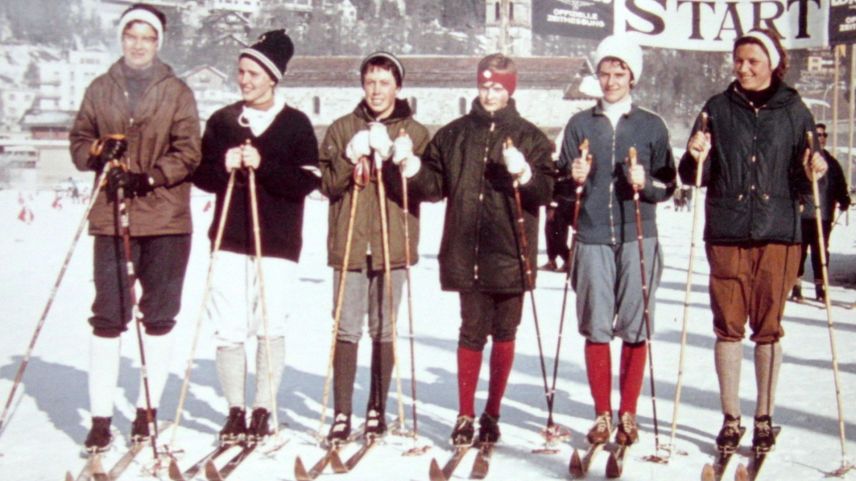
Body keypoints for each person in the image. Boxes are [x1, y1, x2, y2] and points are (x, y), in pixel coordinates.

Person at [680, 28, 827, 454]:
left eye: (752, 61)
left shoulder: (795, 111)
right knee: (728, 326)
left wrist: (814, 168)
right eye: (738, 60)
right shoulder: (716, 109)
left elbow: (804, 180)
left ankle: (764, 417)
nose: (742, 68)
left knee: (768, 328)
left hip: (779, 233)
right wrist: (695, 153)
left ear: (772, 63)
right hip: (726, 231)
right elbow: (693, 177)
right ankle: (731, 418)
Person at [68, 3, 201, 452]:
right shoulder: (100, 88)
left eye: (147, 37)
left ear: (157, 42)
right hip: (112, 217)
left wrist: (150, 176)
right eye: (131, 36)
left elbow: (189, 151)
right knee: (109, 316)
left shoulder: (177, 91)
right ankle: (101, 418)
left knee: (159, 318)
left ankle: (147, 412)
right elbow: (79, 139)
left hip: (165, 217)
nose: (138, 45)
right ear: (122, 39)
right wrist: (97, 152)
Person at [406, 53, 554, 446]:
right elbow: (434, 186)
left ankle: (493, 412)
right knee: (471, 332)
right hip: (467, 252)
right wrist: (411, 168)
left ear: (510, 91)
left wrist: (524, 172)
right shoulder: (454, 134)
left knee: (506, 332)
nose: (490, 94)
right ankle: (465, 414)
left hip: (511, 252)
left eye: (499, 88)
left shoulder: (530, 137)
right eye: (485, 86)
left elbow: (546, 192)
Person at [192, 30, 319, 444]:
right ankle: (235, 410)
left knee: (269, 323)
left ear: (272, 77)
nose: (243, 80)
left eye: (252, 73)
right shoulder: (224, 121)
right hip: (229, 238)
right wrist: (223, 164)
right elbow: (202, 175)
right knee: (228, 327)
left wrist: (262, 164)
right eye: (240, 71)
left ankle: (264, 406)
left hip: (278, 243)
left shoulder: (296, 124)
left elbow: (304, 183)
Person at [558, 35, 675, 448]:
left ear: (632, 76)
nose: (610, 80)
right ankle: (602, 413)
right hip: (591, 235)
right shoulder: (580, 124)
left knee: (635, 324)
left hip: (637, 234)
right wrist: (573, 176)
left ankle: (628, 411)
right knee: (596, 325)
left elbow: (669, 183)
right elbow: (559, 184)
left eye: (619, 72)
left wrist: (648, 183)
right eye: (604, 72)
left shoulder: (650, 125)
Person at [319, 52, 430, 442]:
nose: (377, 90)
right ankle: (342, 413)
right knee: (346, 328)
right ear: (362, 85)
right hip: (349, 242)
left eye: (385, 83)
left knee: (384, 327)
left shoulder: (415, 132)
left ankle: (378, 408)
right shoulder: (340, 127)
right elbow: (326, 185)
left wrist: (404, 161)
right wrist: (350, 159)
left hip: (391, 243)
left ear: (398, 87)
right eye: (370, 82)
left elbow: (429, 188)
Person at [791, 123, 850, 302]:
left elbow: (839, 185)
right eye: (818, 135)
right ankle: (796, 286)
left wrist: (844, 199)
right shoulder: (801, 161)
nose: (822, 138)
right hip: (803, 215)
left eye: (824, 135)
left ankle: (820, 288)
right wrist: (797, 200)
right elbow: (792, 183)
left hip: (823, 216)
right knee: (799, 252)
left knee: (821, 252)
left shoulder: (831, 163)